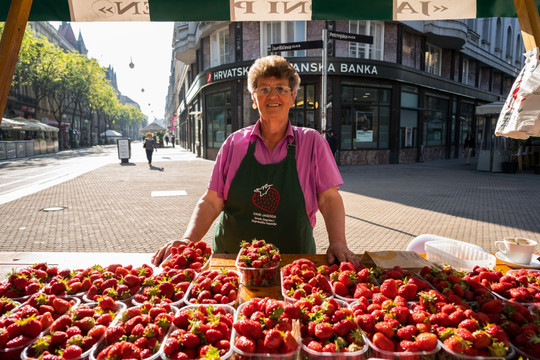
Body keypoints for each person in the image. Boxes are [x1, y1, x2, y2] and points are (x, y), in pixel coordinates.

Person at [152, 55, 359, 266]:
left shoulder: (312, 142)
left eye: (280, 88)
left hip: (293, 263)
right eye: (264, 89)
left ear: (293, 96)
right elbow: (212, 201)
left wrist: (338, 242)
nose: (272, 96)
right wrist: (188, 240)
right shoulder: (234, 144)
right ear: (253, 98)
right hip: (232, 262)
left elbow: (329, 199)